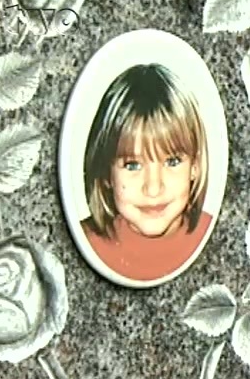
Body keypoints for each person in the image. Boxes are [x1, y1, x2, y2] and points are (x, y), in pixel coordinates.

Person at [81, 63, 212, 282]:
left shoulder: (212, 236)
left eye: (172, 161)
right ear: (106, 174)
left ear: (195, 166)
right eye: (133, 165)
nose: (153, 188)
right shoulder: (87, 242)